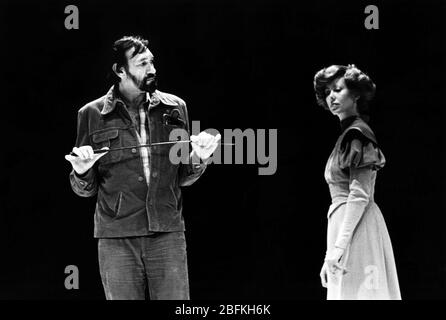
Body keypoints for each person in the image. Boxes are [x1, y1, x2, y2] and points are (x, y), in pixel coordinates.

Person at [65, 36, 220, 300]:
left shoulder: (175, 107)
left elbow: (183, 177)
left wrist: (199, 157)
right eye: (142, 63)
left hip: (167, 233)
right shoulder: (91, 114)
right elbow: (84, 189)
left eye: (152, 62)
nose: (152, 69)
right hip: (117, 238)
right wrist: (81, 171)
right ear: (120, 70)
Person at [314, 64, 401, 300]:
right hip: (345, 227)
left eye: (337, 89)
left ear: (356, 94)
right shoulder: (347, 136)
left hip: (358, 225)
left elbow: (359, 195)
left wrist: (338, 249)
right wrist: (329, 254)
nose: (331, 96)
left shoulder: (357, 134)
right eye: (327, 92)